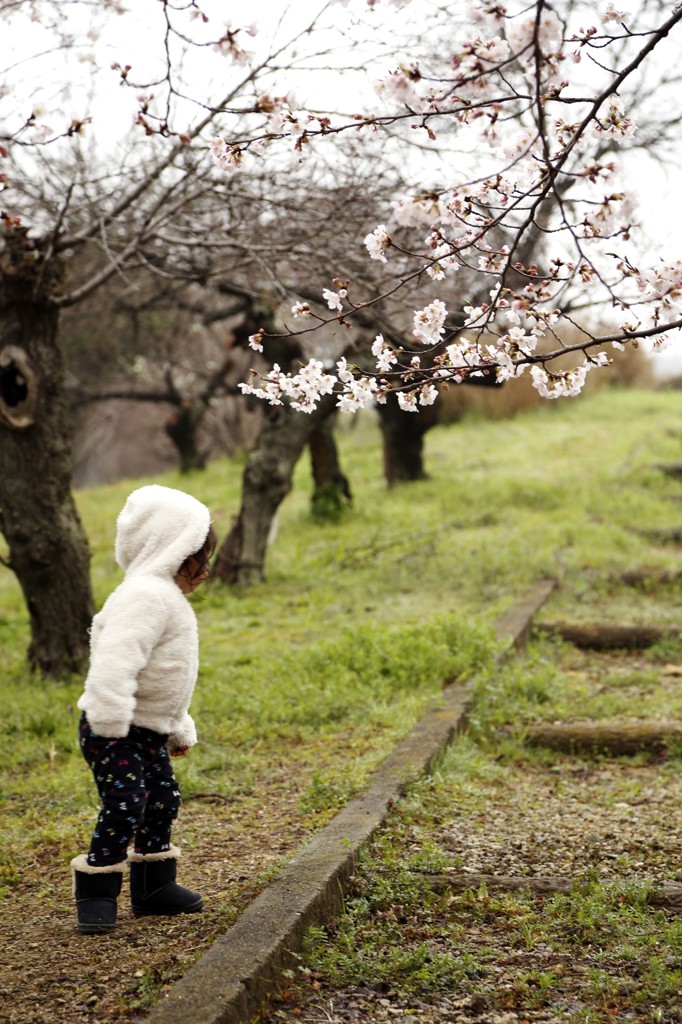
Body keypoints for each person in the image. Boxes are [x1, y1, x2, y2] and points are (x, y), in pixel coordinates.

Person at [71, 484, 217, 935]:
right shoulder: (145, 596)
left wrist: (177, 728)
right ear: (171, 548)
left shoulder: (165, 598)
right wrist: (109, 719)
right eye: (198, 557)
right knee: (126, 802)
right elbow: (115, 660)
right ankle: (96, 891)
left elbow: (168, 679)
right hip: (112, 726)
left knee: (163, 799)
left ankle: (155, 887)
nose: (205, 570)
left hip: (147, 728)